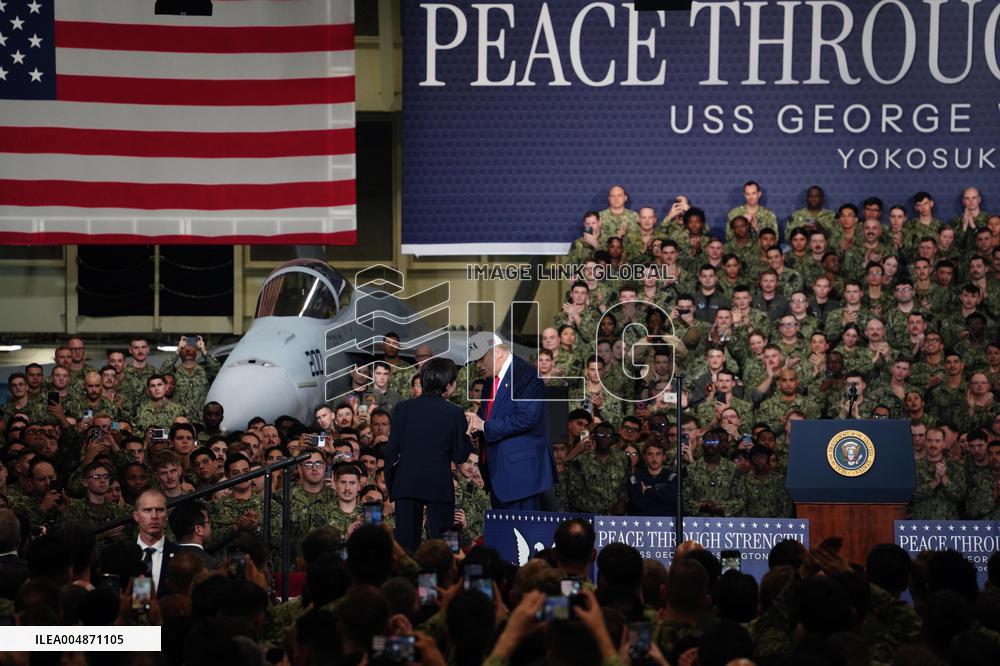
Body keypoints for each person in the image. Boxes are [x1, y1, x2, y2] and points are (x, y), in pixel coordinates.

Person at [384, 357, 470, 554]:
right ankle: (444, 574)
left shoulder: (402, 409)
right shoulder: (455, 412)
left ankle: (407, 575)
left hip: (405, 486)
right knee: (445, 548)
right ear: (448, 384)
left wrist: (393, 486)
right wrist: (467, 435)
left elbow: (391, 452)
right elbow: (460, 455)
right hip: (439, 488)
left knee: (405, 548)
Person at [465, 332, 557, 511]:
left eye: (481, 359)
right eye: (475, 361)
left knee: (522, 528)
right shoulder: (490, 380)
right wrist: (475, 427)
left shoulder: (527, 376)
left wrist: (484, 426)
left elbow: (526, 419)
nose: (478, 365)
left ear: (498, 353)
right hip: (497, 474)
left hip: (521, 477)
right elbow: (487, 415)